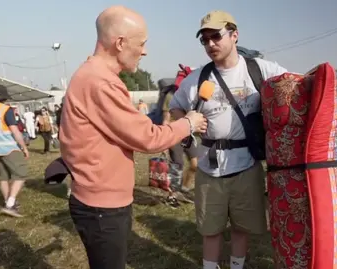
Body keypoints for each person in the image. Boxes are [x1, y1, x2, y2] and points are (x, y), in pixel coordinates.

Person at [58, 6, 207, 269]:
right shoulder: (100, 81)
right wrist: (188, 123)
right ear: (120, 43)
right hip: (102, 206)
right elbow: (147, 138)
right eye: (142, 43)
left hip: (98, 200)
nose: (145, 51)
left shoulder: (93, 75)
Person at [169, 10, 287, 269]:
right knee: (210, 229)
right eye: (205, 40)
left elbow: (293, 86)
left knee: (241, 227)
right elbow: (176, 108)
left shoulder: (260, 69)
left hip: (247, 164)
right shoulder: (197, 78)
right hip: (209, 167)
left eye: (216, 36)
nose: (210, 44)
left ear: (234, 35)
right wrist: (187, 127)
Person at [0, 85, 29, 218]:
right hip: (9, 147)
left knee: (4, 177)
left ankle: (8, 202)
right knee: (21, 174)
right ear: (4, 97)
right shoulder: (6, 110)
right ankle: (10, 204)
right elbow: (15, 131)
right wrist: (24, 147)